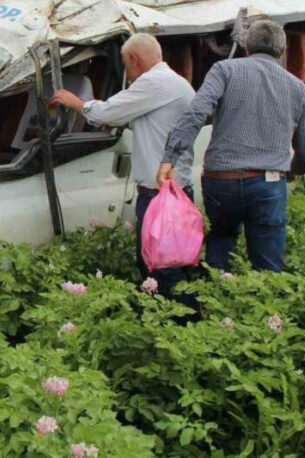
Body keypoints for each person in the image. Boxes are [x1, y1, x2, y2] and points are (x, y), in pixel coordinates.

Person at [158, 19, 305, 273]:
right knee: (268, 264)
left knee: (221, 240)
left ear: (246, 45)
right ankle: (263, 308)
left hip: (222, 181)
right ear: (283, 50)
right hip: (269, 183)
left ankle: (214, 299)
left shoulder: (224, 70)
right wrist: (291, 171)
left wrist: (170, 157)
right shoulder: (299, 89)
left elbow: (196, 113)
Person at [49, 33, 196, 302]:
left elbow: (107, 111)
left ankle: (185, 322)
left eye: (126, 65)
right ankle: (177, 321)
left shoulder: (153, 83)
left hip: (159, 196)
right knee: (173, 263)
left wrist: (78, 104)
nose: (128, 72)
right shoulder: (177, 83)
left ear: (133, 59)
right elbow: (153, 124)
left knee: (160, 268)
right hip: (178, 190)